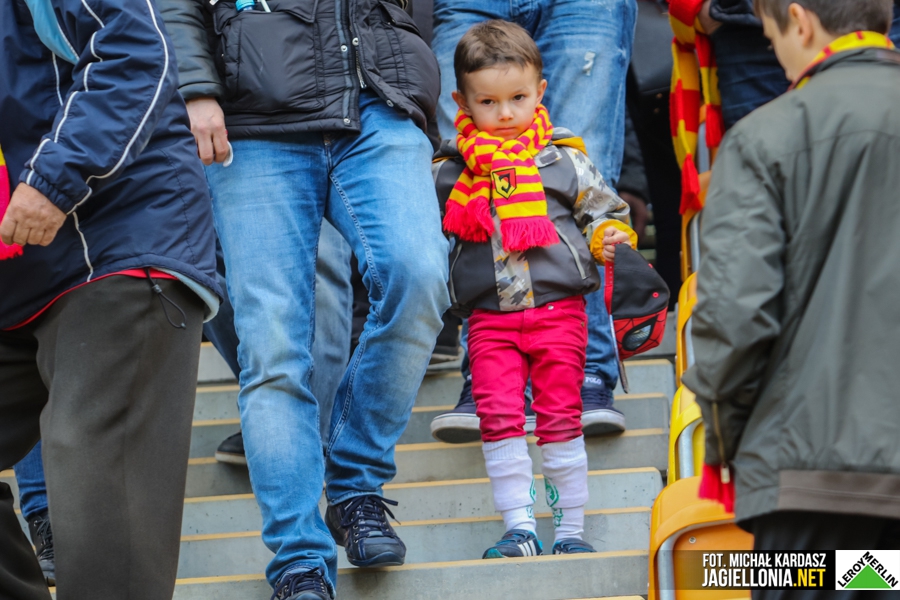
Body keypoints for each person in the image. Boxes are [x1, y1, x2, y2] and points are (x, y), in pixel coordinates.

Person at [157, 1, 450, 598]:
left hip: (377, 98)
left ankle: (356, 482)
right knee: (274, 347)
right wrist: (195, 88)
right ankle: (299, 559)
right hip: (252, 119)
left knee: (419, 275)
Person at [0, 0, 221, 597]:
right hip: (21, 271)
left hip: (120, 238)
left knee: (95, 470)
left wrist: (53, 179)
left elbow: (134, 54)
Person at [682, 0, 900, 593]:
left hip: (811, 483)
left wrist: (725, 443)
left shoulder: (763, 136)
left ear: (799, 21)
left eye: (773, 37)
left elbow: (735, 318)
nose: (777, 58)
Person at [434, 21, 636, 558]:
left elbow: (603, 210)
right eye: (488, 102)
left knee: (561, 417)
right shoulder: (449, 173)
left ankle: (570, 531)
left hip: (559, 312)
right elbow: (423, 234)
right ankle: (519, 528)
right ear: (461, 102)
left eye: (518, 98)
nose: (505, 114)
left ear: (540, 92)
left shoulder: (563, 159)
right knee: (499, 419)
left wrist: (609, 236)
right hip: (489, 318)